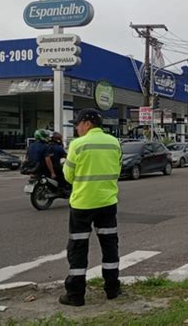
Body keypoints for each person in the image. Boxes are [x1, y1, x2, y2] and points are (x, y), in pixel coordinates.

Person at [60, 108, 122, 307]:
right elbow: (118, 170)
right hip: (107, 202)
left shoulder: (77, 145)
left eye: (77, 124)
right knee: (109, 246)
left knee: (78, 248)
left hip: (82, 204)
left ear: (87, 123)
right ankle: (112, 289)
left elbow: (68, 176)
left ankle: (75, 295)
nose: (76, 128)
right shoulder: (114, 143)